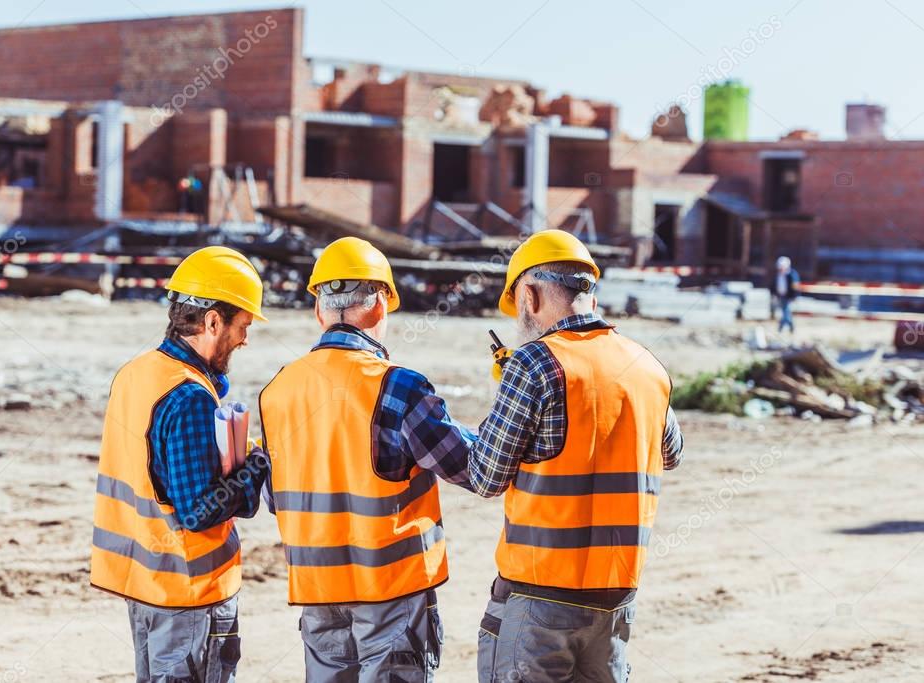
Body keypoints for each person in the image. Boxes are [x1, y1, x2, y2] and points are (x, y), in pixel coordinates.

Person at [469, 230, 684, 683]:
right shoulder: (645, 364)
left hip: (541, 595)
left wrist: (506, 389)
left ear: (528, 294)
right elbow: (671, 452)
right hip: (615, 598)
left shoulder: (532, 364)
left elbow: (486, 475)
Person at [258, 237, 475, 682]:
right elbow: (467, 466)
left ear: (319, 310)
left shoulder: (277, 391)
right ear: (380, 306)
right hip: (390, 589)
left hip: (318, 588)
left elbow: (274, 497)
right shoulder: (398, 386)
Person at [90, 246, 269, 682]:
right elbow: (198, 510)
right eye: (242, 326)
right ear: (212, 321)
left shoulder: (137, 372)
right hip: (189, 595)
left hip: (145, 585)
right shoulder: (189, 397)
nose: (245, 339)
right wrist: (256, 468)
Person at [773, 255, 800, 335]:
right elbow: (774, 285)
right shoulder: (779, 275)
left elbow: (795, 287)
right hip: (781, 296)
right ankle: (789, 326)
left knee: (786, 312)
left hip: (789, 297)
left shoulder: (792, 275)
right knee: (786, 312)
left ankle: (782, 327)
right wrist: (774, 294)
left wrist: (795, 296)